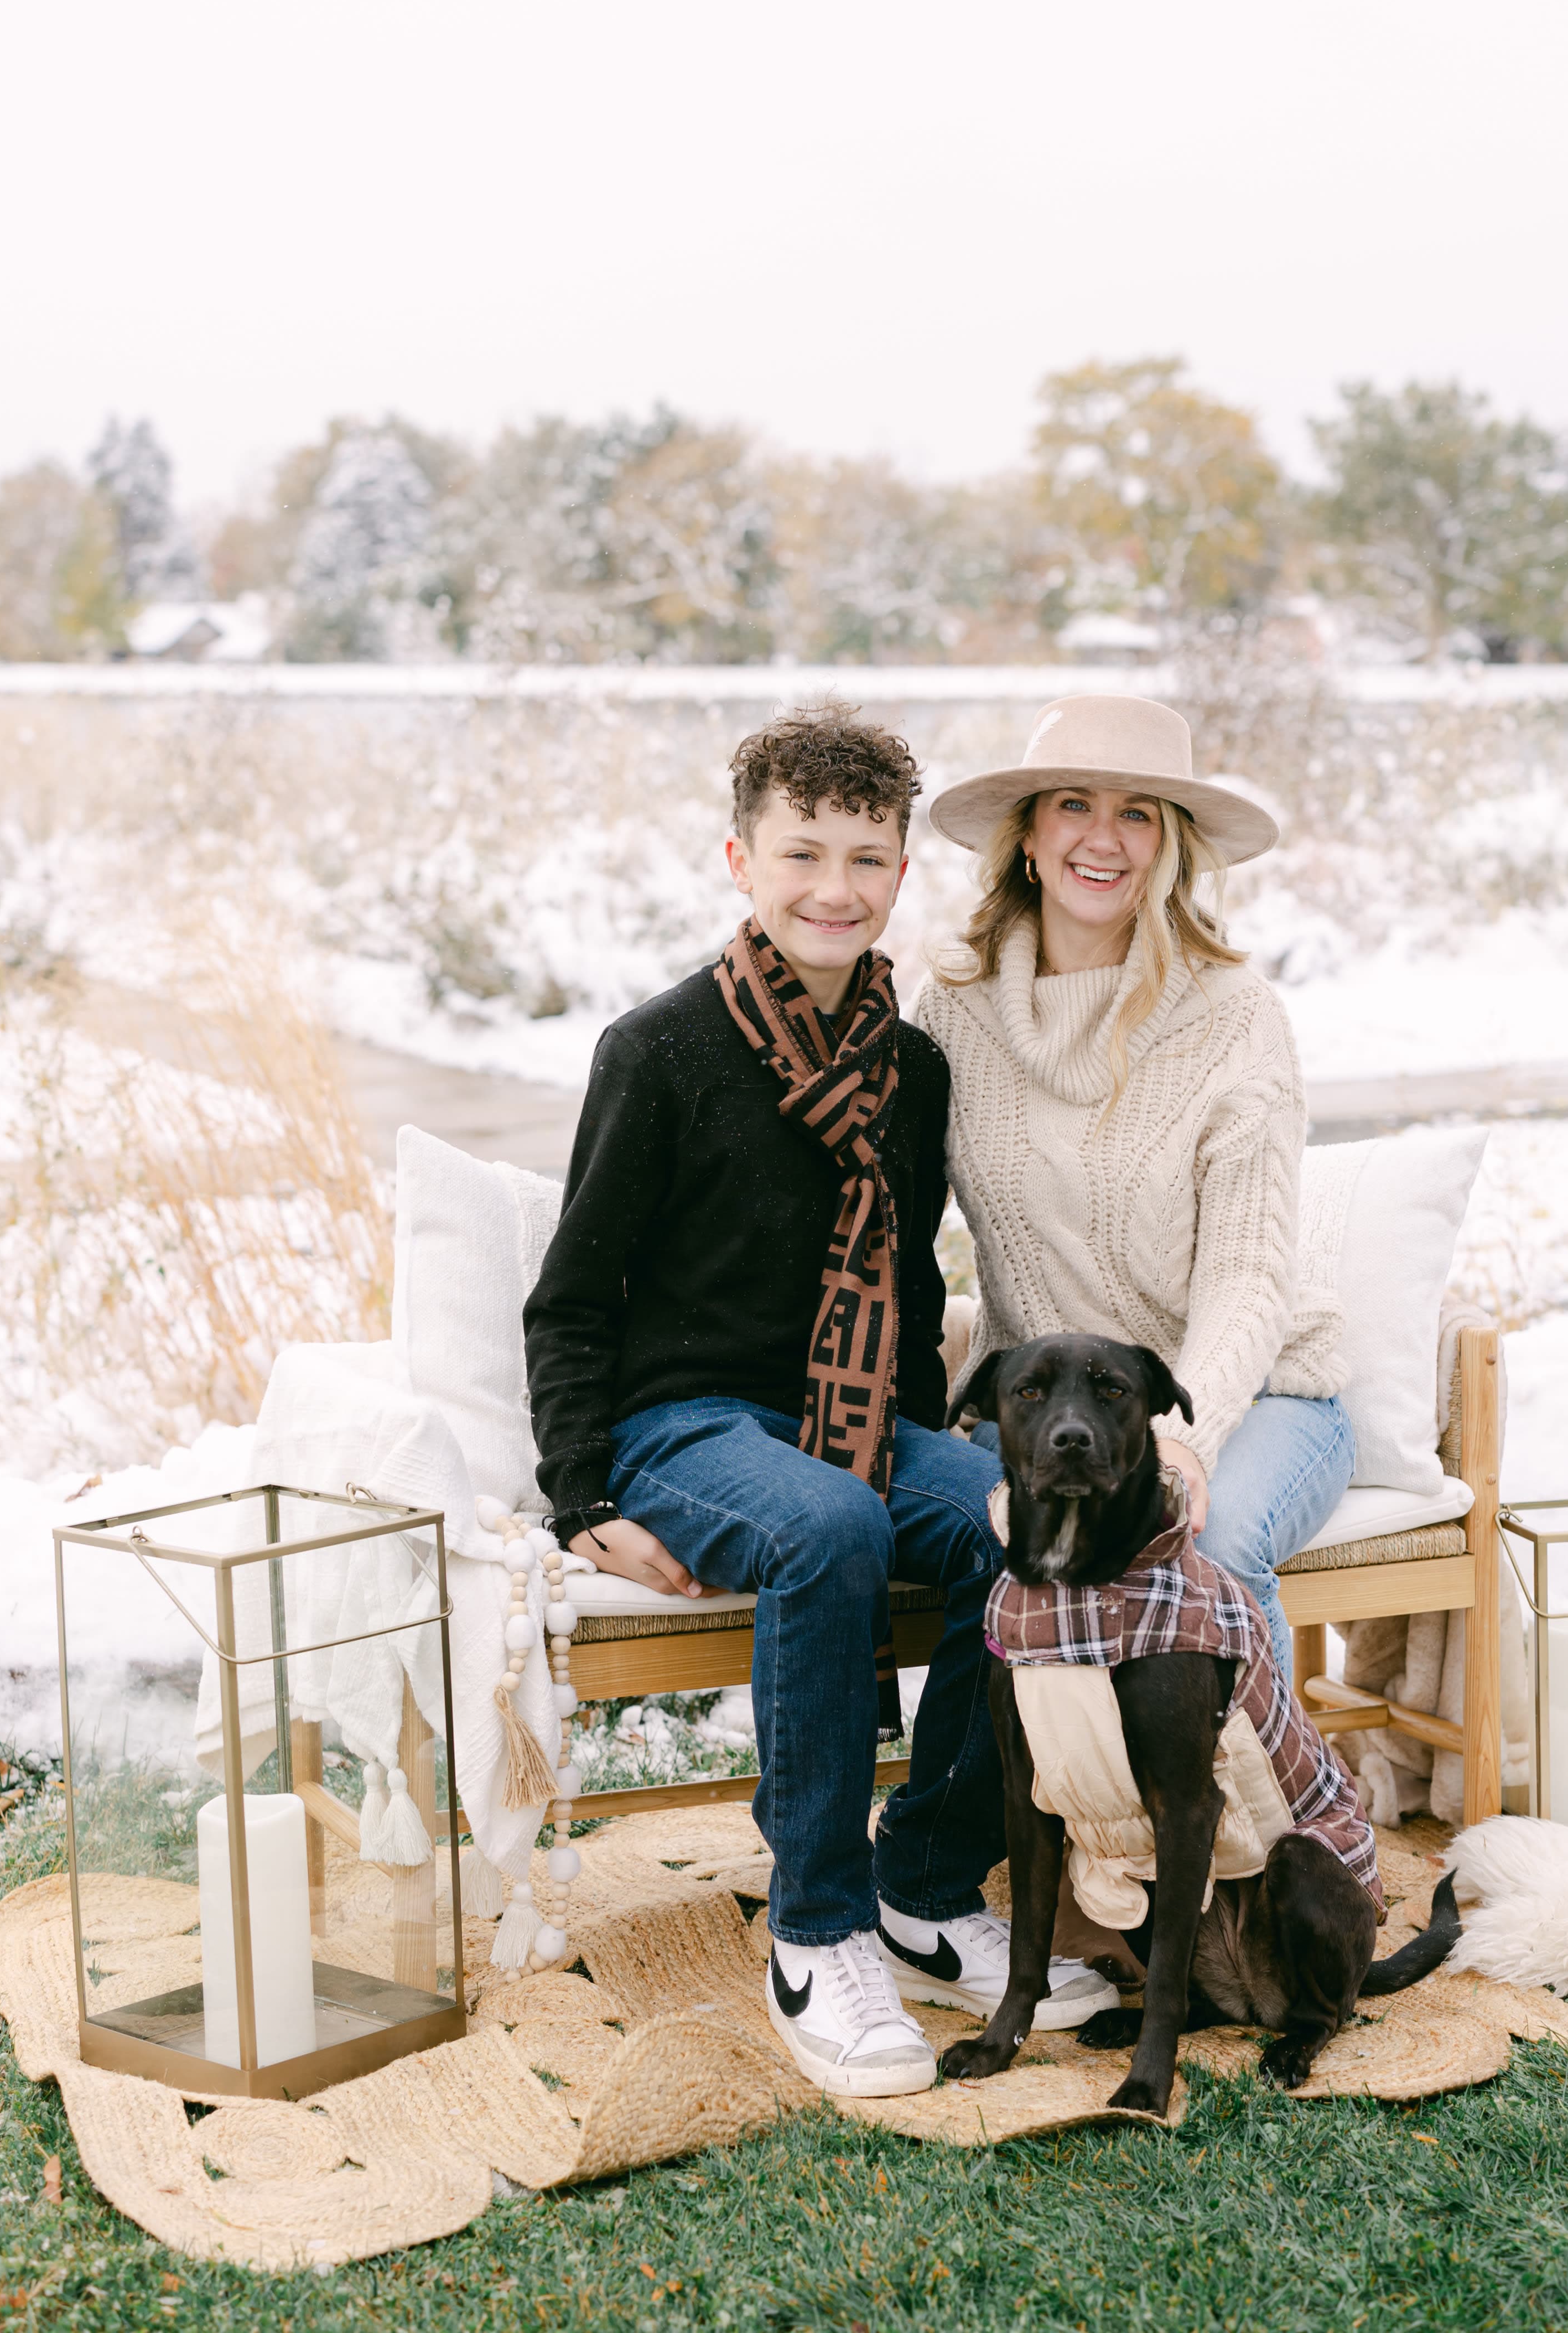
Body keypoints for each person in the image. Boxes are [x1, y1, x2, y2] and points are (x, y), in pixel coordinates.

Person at [523, 700, 1113, 2098]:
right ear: (739, 857)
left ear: (903, 870)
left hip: (847, 1420)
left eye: (866, 857)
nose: (833, 888)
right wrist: (579, 1495)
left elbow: (900, 1280)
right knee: (827, 1526)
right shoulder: (656, 1050)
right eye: (802, 853)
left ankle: (922, 1876)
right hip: (687, 1428)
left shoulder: (911, 1069)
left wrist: (940, 1449)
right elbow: (571, 1294)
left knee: (1007, 1521)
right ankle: (817, 1928)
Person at [915, 693, 1351, 1677]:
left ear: (1170, 847)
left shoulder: (1235, 1017)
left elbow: (1246, 1276)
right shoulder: (951, 1011)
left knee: (1212, 1544)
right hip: (1056, 1410)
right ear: (1027, 836)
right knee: (978, 1538)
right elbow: (887, 1218)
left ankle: (1277, 1822)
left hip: (1257, 1393)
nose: (1102, 837)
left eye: (1137, 812)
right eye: (1073, 803)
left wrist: (1183, 1446)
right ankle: (1040, 1819)